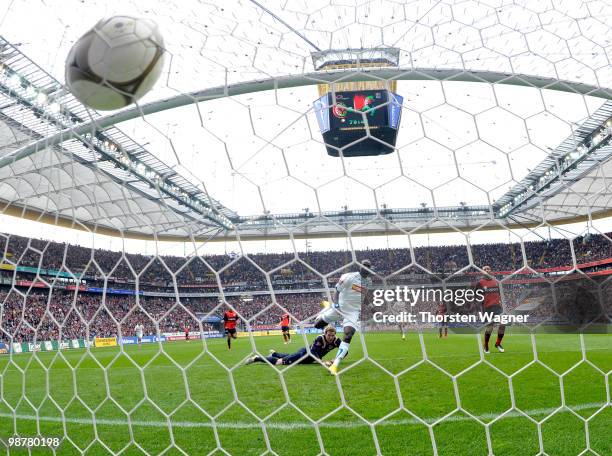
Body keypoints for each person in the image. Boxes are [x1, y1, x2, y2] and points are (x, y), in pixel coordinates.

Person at [313, 259, 373, 375]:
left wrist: (371, 307)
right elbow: (337, 290)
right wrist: (335, 304)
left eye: (368, 266)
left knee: (348, 335)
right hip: (339, 308)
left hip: (353, 312)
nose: (366, 268)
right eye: (364, 265)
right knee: (317, 325)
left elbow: (364, 296)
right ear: (360, 267)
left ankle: (335, 365)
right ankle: (326, 308)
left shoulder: (369, 282)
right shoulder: (349, 277)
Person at [246, 325, 341, 366]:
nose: (331, 337)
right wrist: (322, 362)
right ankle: (256, 358)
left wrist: (336, 359)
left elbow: (344, 351)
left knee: (288, 356)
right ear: (325, 333)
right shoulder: (320, 338)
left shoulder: (336, 341)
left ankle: (274, 353)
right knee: (279, 362)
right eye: (329, 335)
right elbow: (313, 352)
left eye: (333, 335)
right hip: (303, 355)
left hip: (307, 360)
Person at [474, 265, 505, 353]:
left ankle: (498, 343)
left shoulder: (496, 281)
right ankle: (486, 345)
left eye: (488, 268)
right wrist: (480, 304)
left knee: (503, 324)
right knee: (489, 328)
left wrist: (501, 303)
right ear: (482, 272)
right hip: (487, 308)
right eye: (485, 269)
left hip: (498, 307)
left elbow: (500, 293)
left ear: (491, 270)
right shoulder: (480, 283)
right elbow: (475, 295)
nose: (487, 270)